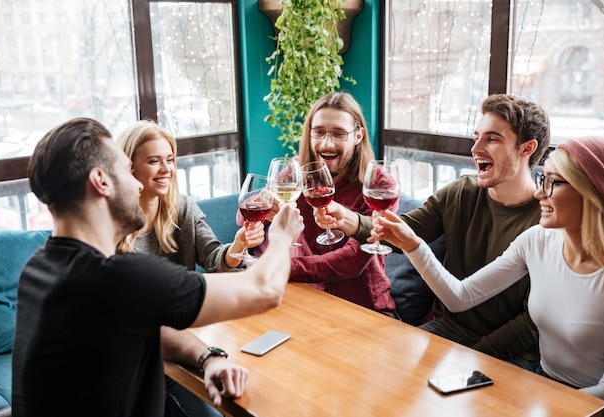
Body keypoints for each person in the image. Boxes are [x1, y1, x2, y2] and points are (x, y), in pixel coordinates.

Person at [12, 118, 304, 417]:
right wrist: (281, 237)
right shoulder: (120, 277)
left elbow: (148, 325)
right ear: (101, 181)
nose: (138, 184)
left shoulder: (37, 269)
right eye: (127, 170)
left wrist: (207, 357)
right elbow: (265, 290)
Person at [371, 135, 604, 405]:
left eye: (552, 182)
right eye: (541, 179)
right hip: (541, 379)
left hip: (592, 403)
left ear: (591, 190)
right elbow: (460, 297)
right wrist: (413, 245)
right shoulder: (537, 241)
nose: (539, 193)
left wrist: (544, 407)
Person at [315, 94, 550, 368]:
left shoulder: (546, 220)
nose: (476, 148)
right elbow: (405, 232)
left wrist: (474, 358)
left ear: (527, 148)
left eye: (492, 139)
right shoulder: (461, 192)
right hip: (447, 333)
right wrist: (347, 218)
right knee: (370, 373)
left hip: (511, 354)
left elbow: (533, 321)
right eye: (476, 136)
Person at [115, 120, 265, 417]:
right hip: (141, 349)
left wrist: (236, 248)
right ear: (129, 166)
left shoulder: (181, 208)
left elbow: (213, 257)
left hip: (185, 337)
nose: (166, 169)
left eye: (169, 159)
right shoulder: (113, 224)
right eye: (154, 161)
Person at [246, 92, 398, 316]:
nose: (327, 144)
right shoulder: (297, 171)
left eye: (338, 134)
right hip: (305, 302)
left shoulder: (379, 185)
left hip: (363, 309)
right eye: (319, 132)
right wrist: (262, 205)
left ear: (358, 136)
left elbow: (353, 260)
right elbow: (243, 217)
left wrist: (282, 266)